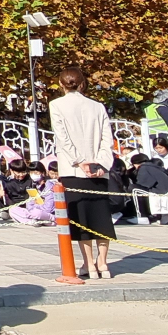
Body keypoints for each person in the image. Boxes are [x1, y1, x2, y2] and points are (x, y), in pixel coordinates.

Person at [49, 66, 114, 279]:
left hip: (73, 168)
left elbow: (63, 137)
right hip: (98, 167)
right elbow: (107, 137)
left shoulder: (56, 105)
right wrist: (101, 162)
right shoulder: (97, 107)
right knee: (101, 216)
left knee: (81, 218)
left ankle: (89, 264)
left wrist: (80, 160)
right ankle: (103, 263)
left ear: (61, 84)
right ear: (83, 83)